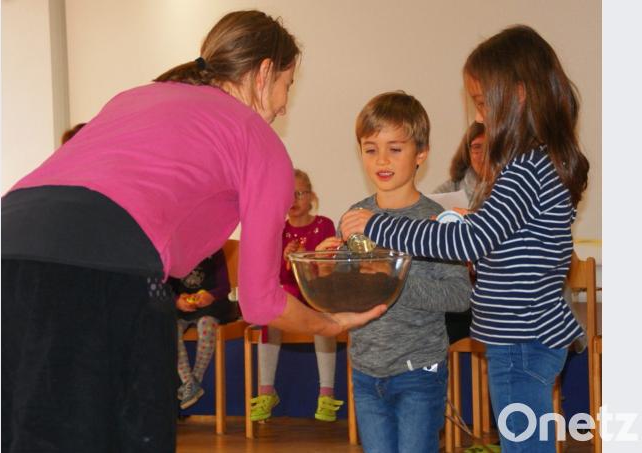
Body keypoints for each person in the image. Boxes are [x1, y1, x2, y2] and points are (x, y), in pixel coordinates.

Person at [1, 10, 384, 453]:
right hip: (104, 264)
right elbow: (262, 303)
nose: (282, 104)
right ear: (263, 73)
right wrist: (330, 324)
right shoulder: (257, 140)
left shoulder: (136, 95)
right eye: (287, 85)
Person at [340, 25, 590, 453]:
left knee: (525, 447)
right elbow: (507, 238)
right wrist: (470, 219)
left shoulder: (527, 166)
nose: (477, 117)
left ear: (517, 94)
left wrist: (375, 225)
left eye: (480, 103)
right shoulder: (538, 160)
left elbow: (468, 245)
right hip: (525, 338)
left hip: (522, 341)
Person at [322, 91, 472, 453]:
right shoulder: (353, 217)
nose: (381, 159)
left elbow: (459, 296)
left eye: (395, 148)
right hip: (365, 369)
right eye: (371, 148)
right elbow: (349, 295)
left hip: (419, 371)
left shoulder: (436, 221)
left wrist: (391, 279)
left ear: (421, 153)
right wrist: (330, 269)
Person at [251, 169, 344, 422]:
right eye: (288, 195)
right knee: (272, 311)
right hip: (289, 294)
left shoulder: (323, 224)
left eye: (300, 193)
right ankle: (266, 391)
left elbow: (328, 270)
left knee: (323, 318)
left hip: (316, 293)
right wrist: (286, 258)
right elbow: (275, 275)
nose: (293, 200)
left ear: (311, 196)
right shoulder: (279, 230)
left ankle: (326, 393)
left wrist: (305, 258)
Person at [433, 121, 485, 344]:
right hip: (459, 286)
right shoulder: (450, 188)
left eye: (489, 146)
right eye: (476, 147)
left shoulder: (509, 186)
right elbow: (428, 225)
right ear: (467, 151)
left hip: (493, 289)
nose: (482, 154)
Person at [171, 249, 236, 410]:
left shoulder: (215, 250)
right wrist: (177, 300)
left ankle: (195, 379)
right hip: (182, 308)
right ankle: (188, 382)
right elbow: (167, 286)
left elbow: (224, 286)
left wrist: (210, 295)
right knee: (171, 329)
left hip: (211, 306)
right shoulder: (174, 250)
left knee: (205, 324)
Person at [433, 121, 485, 209]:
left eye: (491, 148)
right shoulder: (449, 191)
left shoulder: (511, 190)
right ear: (467, 152)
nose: (484, 156)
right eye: (477, 147)